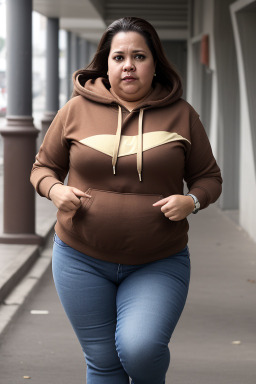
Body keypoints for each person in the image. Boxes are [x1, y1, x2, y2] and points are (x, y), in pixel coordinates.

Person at [30, 16, 222, 384]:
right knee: (103, 362)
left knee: (141, 348)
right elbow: (42, 168)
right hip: (79, 258)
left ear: (155, 64)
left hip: (158, 261)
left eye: (139, 56)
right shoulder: (74, 111)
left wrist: (191, 202)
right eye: (119, 57)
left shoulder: (182, 114)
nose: (128, 65)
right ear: (106, 64)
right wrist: (55, 190)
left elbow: (209, 178)